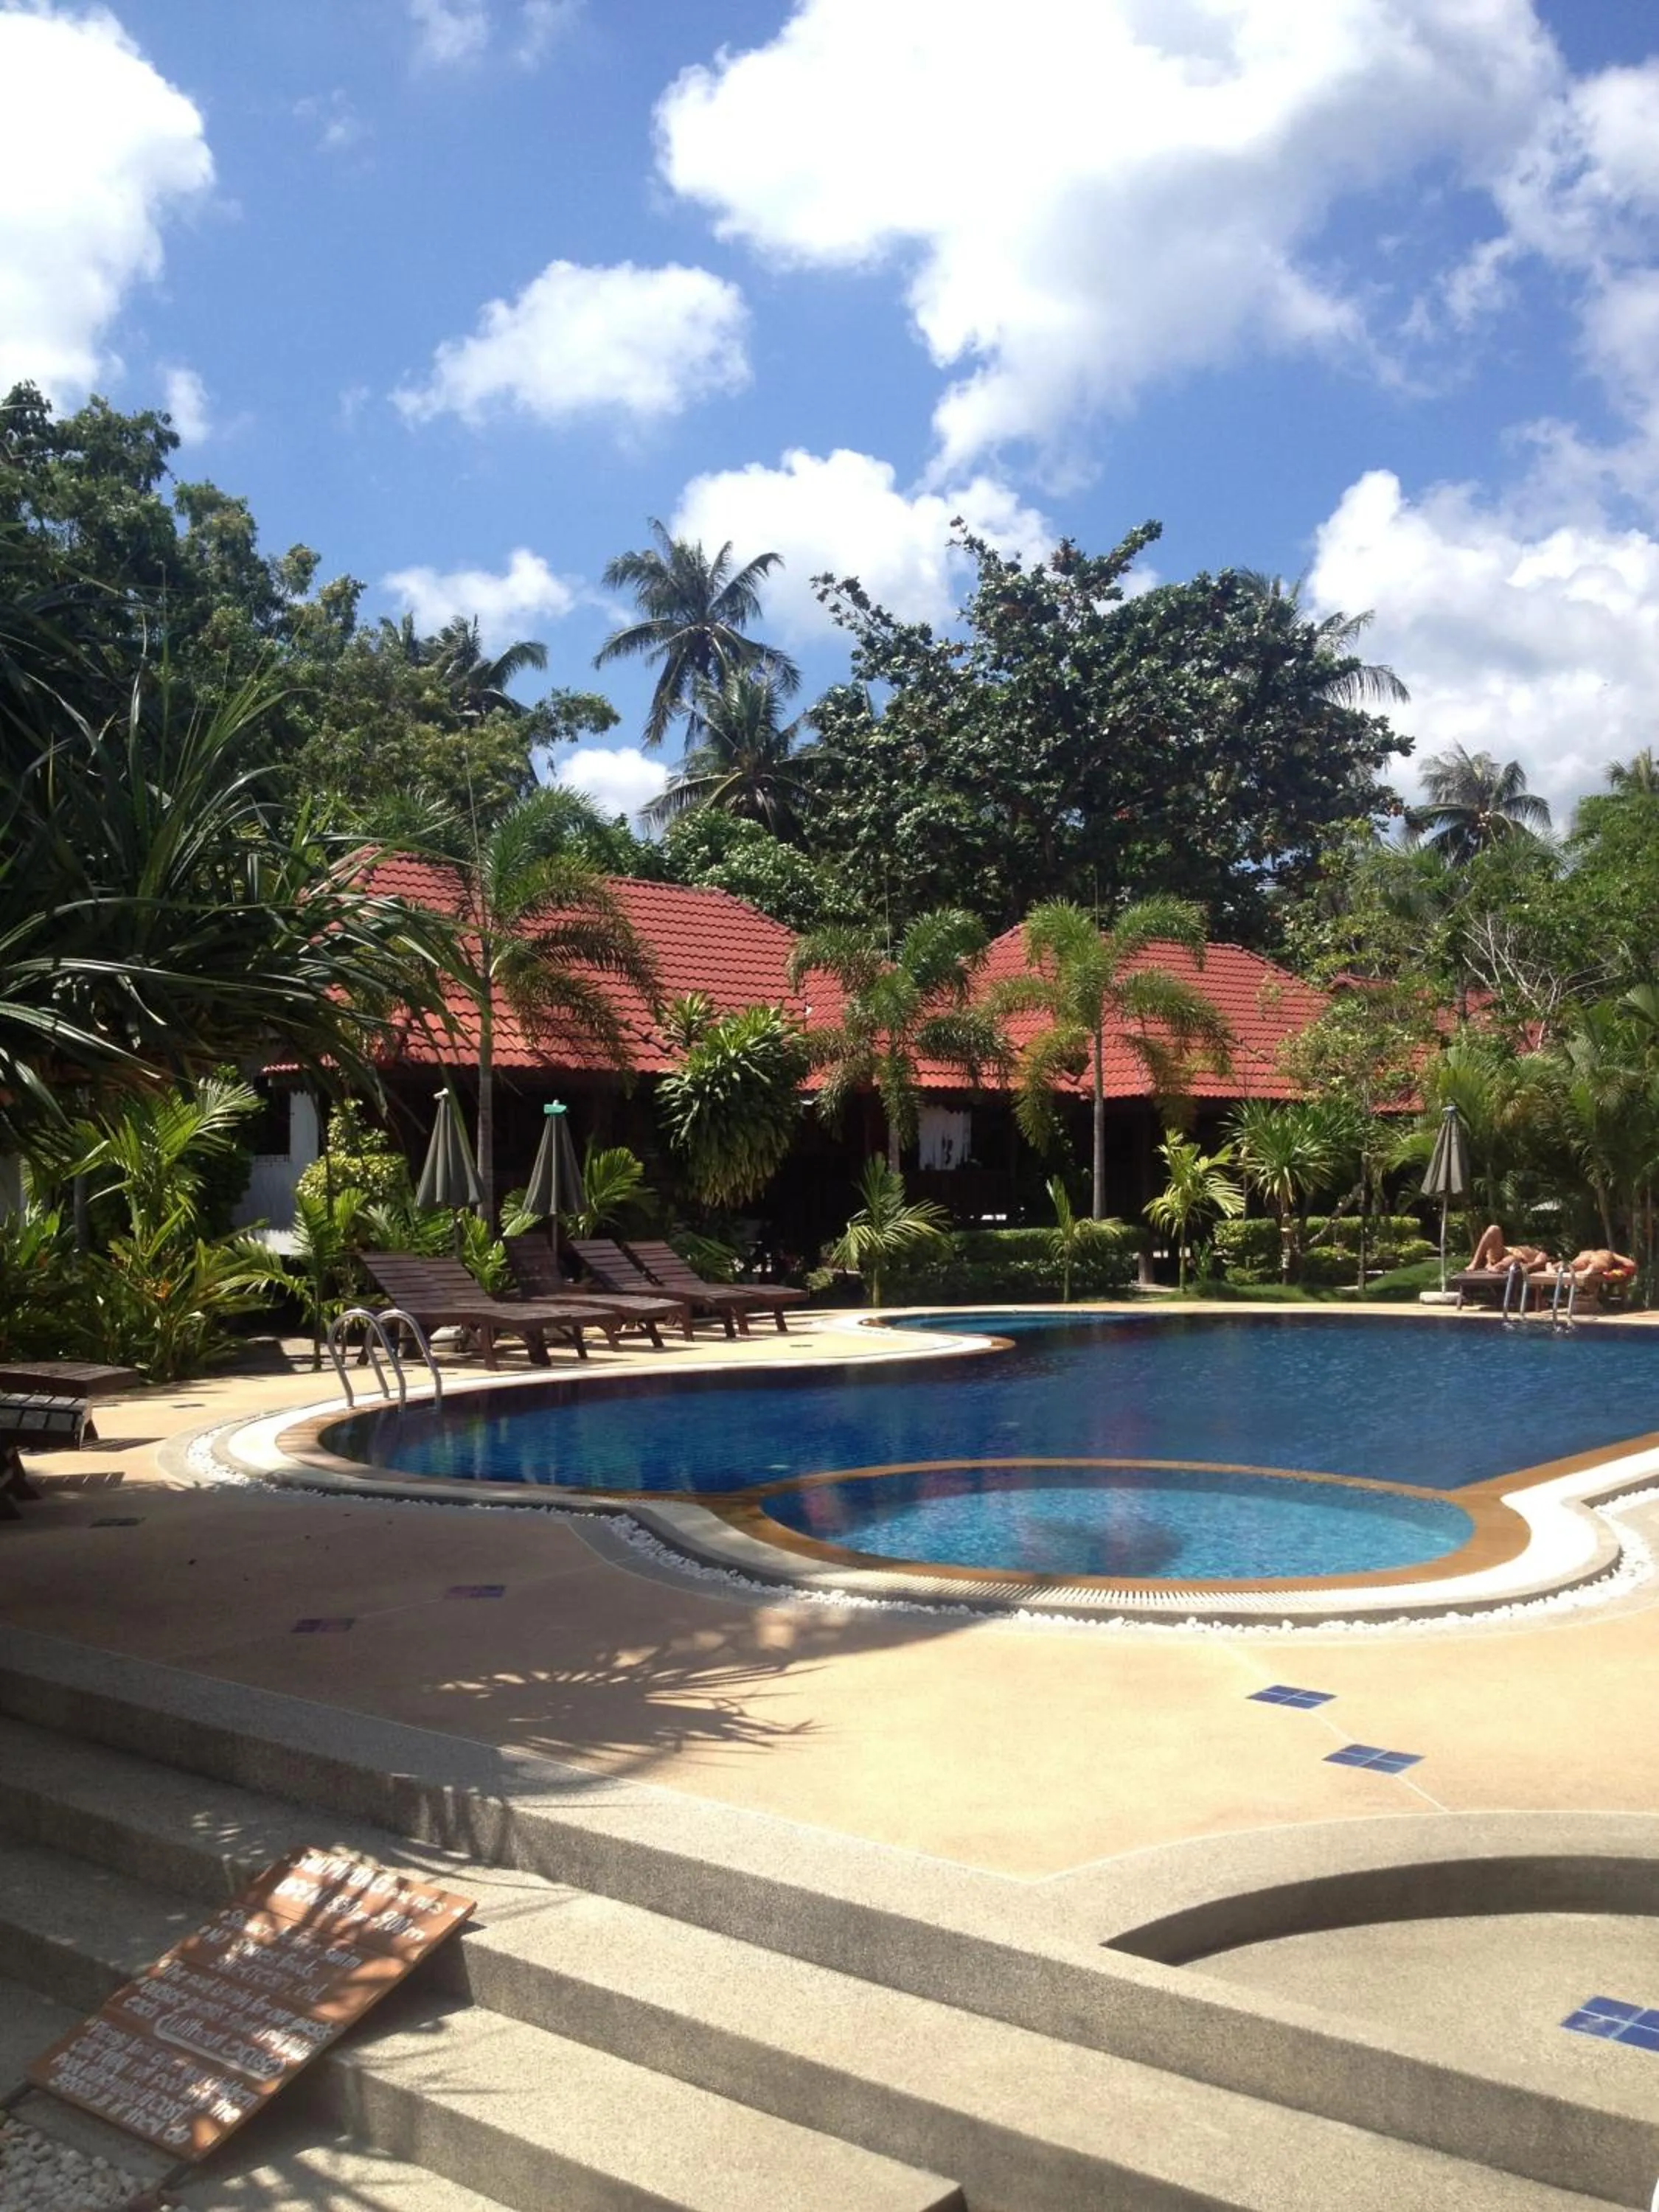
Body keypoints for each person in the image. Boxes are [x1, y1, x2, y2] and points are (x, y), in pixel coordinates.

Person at [1468, 1225, 1548, 1273]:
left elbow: (1539, 1263)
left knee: (1514, 1259)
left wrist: (1524, 1266)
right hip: (1499, 1255)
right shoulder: (1522, 1248)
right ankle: (1475, 1262)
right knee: (1494, 1229)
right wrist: (1489, 1262)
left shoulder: (1541, 1254)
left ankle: (1498, 1267)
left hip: (1512, 1261)